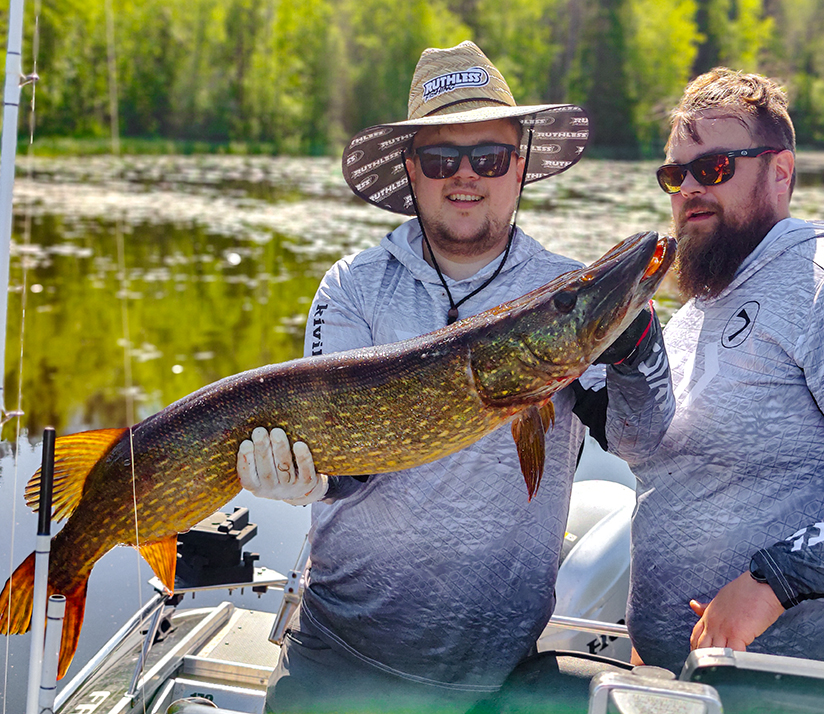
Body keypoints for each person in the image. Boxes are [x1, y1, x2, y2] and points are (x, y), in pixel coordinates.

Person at [239, 41, 674, 713]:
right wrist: (306, 474)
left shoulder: (560, 291)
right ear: (412, 170)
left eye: (488, 157)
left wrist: (637, 347)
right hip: (341, 660)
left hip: (497, 677)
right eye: (442, 159)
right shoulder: (353, 288)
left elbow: (643, 444)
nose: (464, 176)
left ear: (519, 166)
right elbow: (347, 464)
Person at [626, 66, 824, 675]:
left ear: (781, 170)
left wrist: (773, 582)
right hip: (675, 679)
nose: (689, 187)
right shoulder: (698, 305)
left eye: (714, 168)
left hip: (800, 688)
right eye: (675, 174)